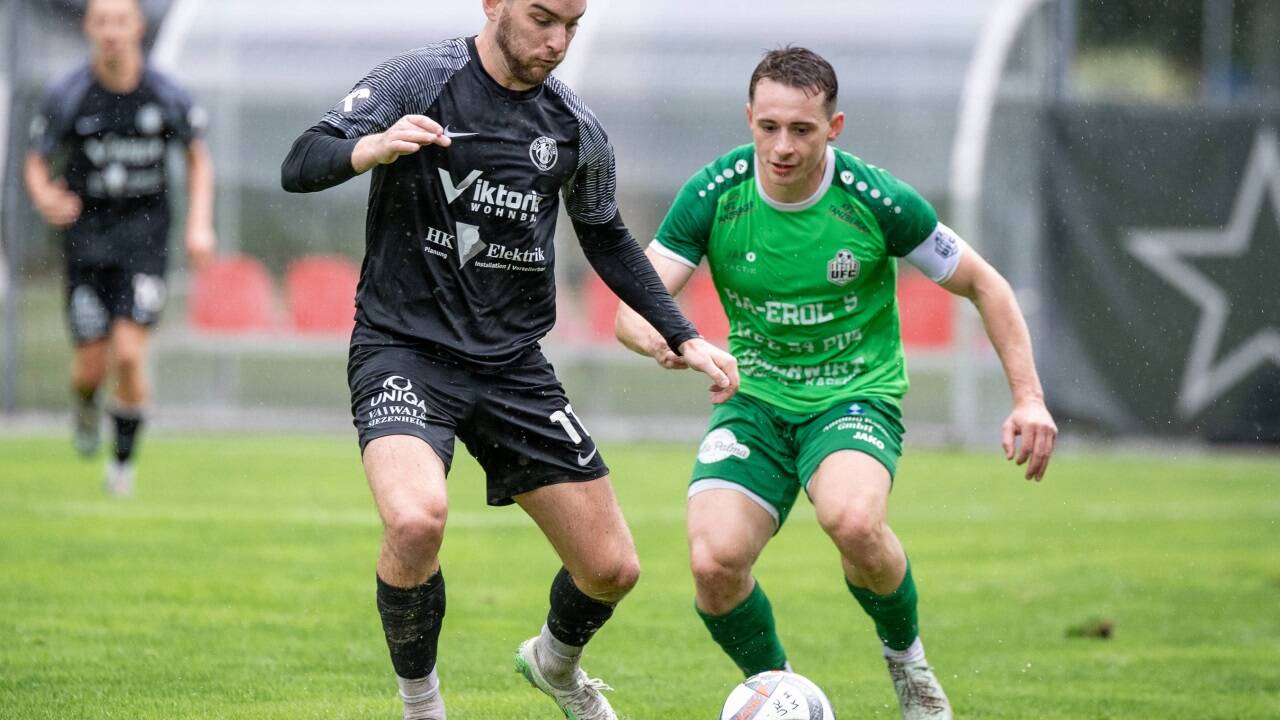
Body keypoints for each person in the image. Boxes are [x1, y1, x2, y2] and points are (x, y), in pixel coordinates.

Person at [280, 1, 738, 718]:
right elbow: (300, 161)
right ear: (494, 3)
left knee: (612, 569)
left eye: (572, 25)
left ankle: (555, 665)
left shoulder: (575, 128)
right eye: (541, 17)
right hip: (404, 349)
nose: (556, 41)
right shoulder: (420, 79)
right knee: (415, 520)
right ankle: (421, 704)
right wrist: (367, 149)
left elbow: (607, 238)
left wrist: (684, 334)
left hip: (512, 366)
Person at [615, 47, 1058, 720]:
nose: (782, 146)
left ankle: (908, 663)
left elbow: (985, 285)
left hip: (852, 398)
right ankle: (779, 691)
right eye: (768, 128)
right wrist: (672, 339)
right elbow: (630, 310)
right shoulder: (714, 193)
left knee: (851, 521)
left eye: (802, 130)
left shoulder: (876, 200)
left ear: (835, 127)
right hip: (754, 404)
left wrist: (1028, 397)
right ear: (749, 120)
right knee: (713, 565)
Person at [24, 0, 216, 496]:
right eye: (102, 22)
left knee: (129, 355)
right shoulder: (69, 94)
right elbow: (35, 160)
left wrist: (198, 225)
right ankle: (87, 406)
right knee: (89, 367)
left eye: (120, 22)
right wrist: (45, 194)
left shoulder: (164, 92)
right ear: (90, 28)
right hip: (85, 242)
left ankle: (123, 466)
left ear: (137, 28)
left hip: (145, 241)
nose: (112, 32)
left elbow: (198, 158)